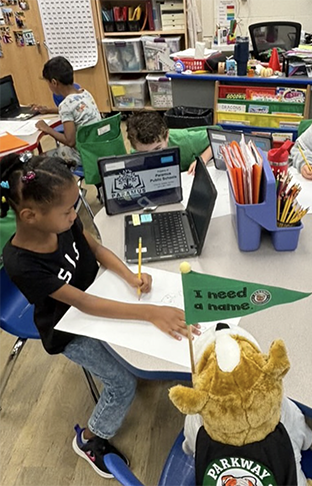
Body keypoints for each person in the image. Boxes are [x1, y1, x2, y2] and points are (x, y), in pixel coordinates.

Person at [0, 152, 199, 479]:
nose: (73, 216)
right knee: (122, 384)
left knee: (140, 352)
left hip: (99, 295)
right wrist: (150, 312)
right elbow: (81, 304)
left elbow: (96, 250)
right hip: (67, 329)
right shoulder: (21, 262)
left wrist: (129, 276)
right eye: (67, 211)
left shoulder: (62, 219)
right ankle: (91, 438)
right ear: (29, 215)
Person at [34, 56, 101, 165]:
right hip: (97, 148)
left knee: (39, 159)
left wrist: (47, 129)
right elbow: (77, 110)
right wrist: (49, 110)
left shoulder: (65, 106)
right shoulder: (84, 93)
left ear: (54, 82)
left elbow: (70, 141)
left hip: (83, 155)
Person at [126, 111, 213, 174]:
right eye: (143, 153)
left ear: (167, 136)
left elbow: (220, 139)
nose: (152, 157)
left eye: (157, 148)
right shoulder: (135, 153)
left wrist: (203, 159)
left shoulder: (185, 139)